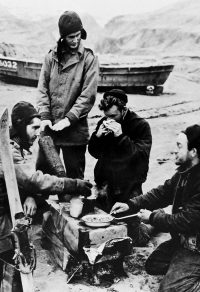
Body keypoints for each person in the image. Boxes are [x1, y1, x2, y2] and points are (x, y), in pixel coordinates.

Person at [0, 101, 92, 291]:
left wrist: (32, 195)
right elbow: (33, 179)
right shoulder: (6, 148)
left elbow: (27, 179)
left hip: (8, 203)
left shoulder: (22, 142)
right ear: (19, 125)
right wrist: (74, 184)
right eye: (33, 127)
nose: (37, 132)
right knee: (8, 256)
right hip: (1, 210)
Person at [111, 124, 200, 292]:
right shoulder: (185, 172)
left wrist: (152, 218)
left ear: (193, 152)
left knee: (168, 289)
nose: (174, 150)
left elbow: (186, 220)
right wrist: (131, 204)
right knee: (153, 264)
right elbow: (162, 193)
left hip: (197, 247)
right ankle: (183, 266)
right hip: (184, 240)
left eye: (179, 146)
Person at [37, 10, 99, 180]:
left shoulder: (88, 59)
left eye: (78, 35)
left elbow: (88, 95)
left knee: (74, 181)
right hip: (49, 130)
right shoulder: (50, 57)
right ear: (63, 37)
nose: (76, 40)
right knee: (43, 177)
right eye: (71, 37)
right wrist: (44, 116)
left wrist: (69, 119)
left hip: (74, 131)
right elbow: (42, 88)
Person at [88, 89, 152, 245]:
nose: (108, 120)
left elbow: (141, 158)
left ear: (124, 110)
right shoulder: (104, 121)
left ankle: (152, 223)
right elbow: (94, 152)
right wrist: (97, 137)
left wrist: (121, 137)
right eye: (106, 116)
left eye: (113, 116)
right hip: (106, 185)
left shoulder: (141, 125)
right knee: (101, 228)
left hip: (129, 187)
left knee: (135, 238)